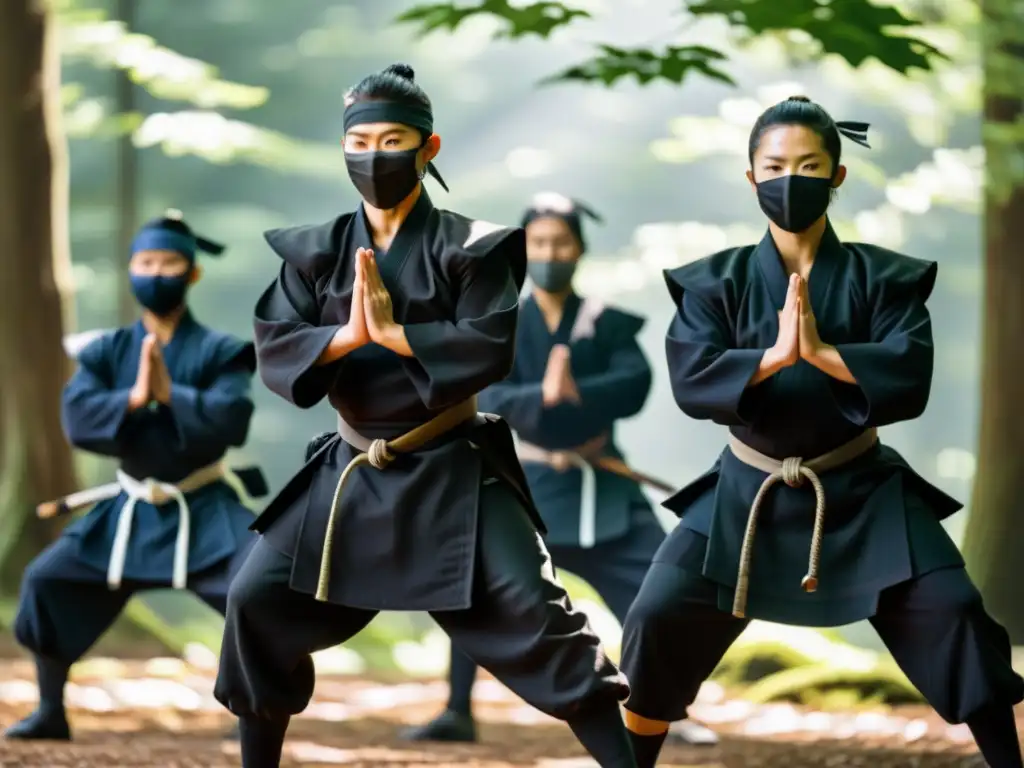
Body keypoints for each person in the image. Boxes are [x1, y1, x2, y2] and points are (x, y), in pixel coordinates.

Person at [212, 64, 638, 768]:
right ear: (344, 149)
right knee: (255, 601)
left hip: (455, 467)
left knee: (540, 616)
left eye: (394, 140)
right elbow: (278, 347)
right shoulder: (313, 252)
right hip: (351, 473)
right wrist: (347, 338)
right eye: (361, 141)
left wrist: (398, 336)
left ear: (428, 147)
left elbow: (489, 346)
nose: (375, 156)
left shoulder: (476, 246)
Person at [617, 95, 1024, 768]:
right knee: (658, 615)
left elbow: (909, 378)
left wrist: (824, 354)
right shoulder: (712, 283)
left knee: (954, 613)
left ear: (837, 176)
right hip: (748, 491)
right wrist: (774, 358)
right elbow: (693, 382)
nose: (789, 180)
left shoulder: (884, 278)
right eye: (774, 165)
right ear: (750, 177)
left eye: (809, 165)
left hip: (865, 491)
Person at [403, 192, 716, 747]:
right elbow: (479, 389)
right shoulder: (499, 322)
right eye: (540, 243)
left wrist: (576, 392)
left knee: (658, 594)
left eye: (561, 242)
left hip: (602, 485)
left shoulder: (606, 323)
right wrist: (539, 399)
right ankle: (457, 709)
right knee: (474, 588)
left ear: (579, 249)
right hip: (525, 486)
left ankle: (662, 709)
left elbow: (635, 384)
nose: (551, 252)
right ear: (525, 249)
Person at [5, 211, 265, 741]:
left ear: (192, 274)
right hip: (128, 510)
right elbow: (78, 417)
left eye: (169, 263)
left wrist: (172, 395)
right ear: (130, 270)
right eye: (146, 262)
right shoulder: (104, 351)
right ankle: (50, 709)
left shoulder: (222, 351)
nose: (156, 272)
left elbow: (231, 421)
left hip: (204, 505)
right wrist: (134, 397)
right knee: (45, 579)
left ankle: (256, 714)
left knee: (257, 587)